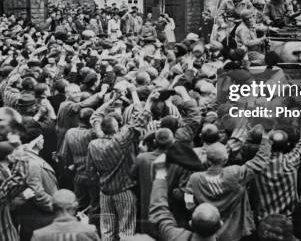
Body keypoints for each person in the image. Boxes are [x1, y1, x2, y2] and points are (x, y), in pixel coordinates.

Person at [86, 96, 150, 241]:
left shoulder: (93, 144)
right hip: (124, 191)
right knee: (126, 230)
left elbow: (95, 117)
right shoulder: (120, 141)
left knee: (106, 230)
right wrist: (149, 101)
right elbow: (138, 122)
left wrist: (112, 98)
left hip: (105, 193)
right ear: (116, 128)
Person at [150, 153, 221, 241]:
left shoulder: (175, 236)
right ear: (220, 225)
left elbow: (160, 213)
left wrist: (160, 174)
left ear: (190, 224)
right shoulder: (232, 175)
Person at [31, 189, 100, 241]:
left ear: (52, 207)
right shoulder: (89, 231)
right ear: (75, 207)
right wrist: (85, 226)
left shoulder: (39, 235)